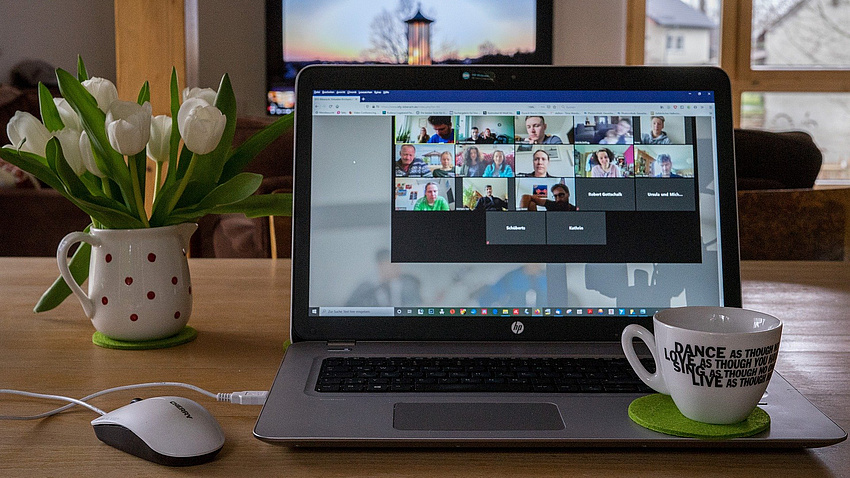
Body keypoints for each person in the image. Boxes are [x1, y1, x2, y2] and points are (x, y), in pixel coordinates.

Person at [346, 249, 421, 307]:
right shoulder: (366, 287)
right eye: (392, 265)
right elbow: (350, 306)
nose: (398, 268)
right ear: (380, 266)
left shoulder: (409, 284)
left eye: (398, 264)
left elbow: (417, 304)